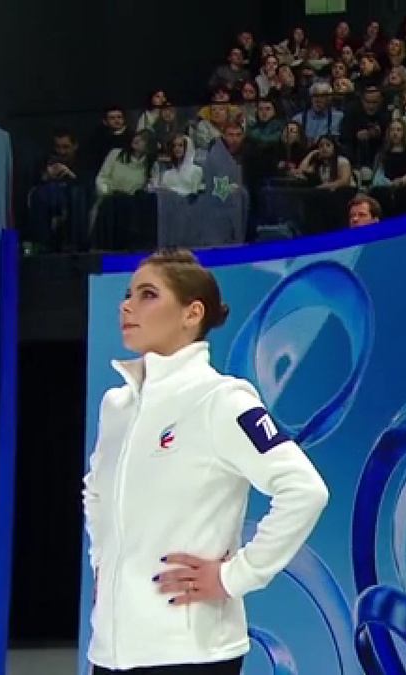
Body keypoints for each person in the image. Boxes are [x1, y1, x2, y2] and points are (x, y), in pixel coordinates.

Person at [83, 249, 330, 675]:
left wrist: (236, 576)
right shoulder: (118, 405)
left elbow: (304, 490)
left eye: (147, 295)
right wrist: (103, 566)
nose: (127, 306)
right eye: (128, 294)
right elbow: (97, 493)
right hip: (110, 651)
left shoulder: (222, 400)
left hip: (191, 653)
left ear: (191, 313)